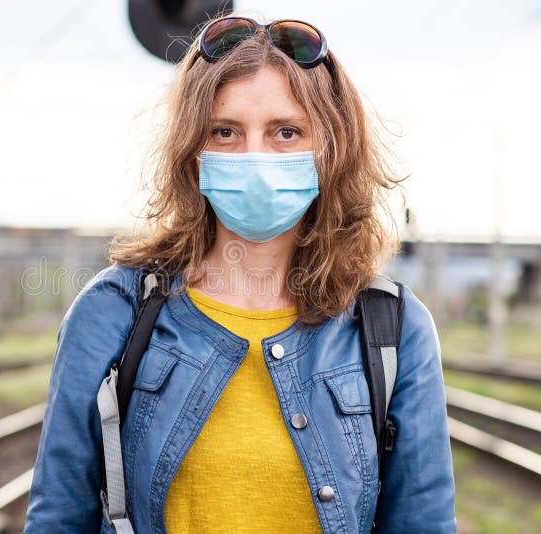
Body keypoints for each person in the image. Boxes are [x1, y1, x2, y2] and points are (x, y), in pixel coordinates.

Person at [24, 13, 456, 534]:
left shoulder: (393, 328)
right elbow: (58, 519)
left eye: (286, 132)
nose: (254, 157)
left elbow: (422, 523)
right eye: (225, 132)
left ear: (332, 150)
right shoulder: (112, 312)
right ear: (192, 153)